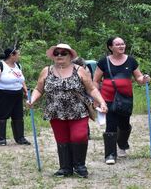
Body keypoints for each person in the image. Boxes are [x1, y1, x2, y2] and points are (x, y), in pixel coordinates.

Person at [26, 43, 108, 178]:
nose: (59, 55)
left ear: (70, 56)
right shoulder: (46, 70)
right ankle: (65, 167)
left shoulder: (79, 70)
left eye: (63, 53)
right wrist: (32, 100)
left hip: (78, 110)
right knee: (62, 139)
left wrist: (102, 102)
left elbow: (91, 89)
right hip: (55, 111)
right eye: (56, 53)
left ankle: (80, 165)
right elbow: (39, 89)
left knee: (79, 136)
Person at [93, 37, 151, 165]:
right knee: (111, 124)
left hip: (125, 98)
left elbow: (139, 78)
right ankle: (110, 154)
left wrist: (144, 78)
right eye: (117, 44)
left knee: (124, 124)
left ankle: (122, 144)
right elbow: (96, 81)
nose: (121, 46)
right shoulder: (103, 62)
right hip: (107, 98)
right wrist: (97, 99)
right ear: (110, 47)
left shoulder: (131, 61)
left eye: (123, 43)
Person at [0, 47, 30, 146]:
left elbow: (21, 79)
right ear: (12, 55)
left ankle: (20, 138)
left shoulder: (18, 65)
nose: (19, 56)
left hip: (17, 93)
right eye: (17, 54)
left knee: (18, 115)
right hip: (3, 93)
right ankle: (1, 139)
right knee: (2, 115)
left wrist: (25, 89)